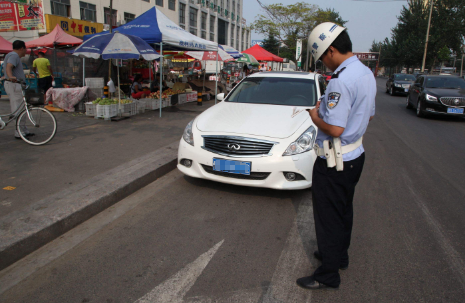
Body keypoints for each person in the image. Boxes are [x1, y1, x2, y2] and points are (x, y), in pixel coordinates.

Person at [296, 22, 376, 290]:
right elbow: (369, 114)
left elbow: (335, 128)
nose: (324, 64)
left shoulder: (341, 80)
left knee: (328, 216)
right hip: (354, 156)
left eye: (322, 58)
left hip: (334, 160)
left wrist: (315, 116)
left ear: (331, 51)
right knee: (343, 210)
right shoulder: (365, 73)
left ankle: (328, 274)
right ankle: (339, 256)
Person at [2, 40, 33, 139]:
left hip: (15, 85)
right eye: (25, 49)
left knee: (22, 108)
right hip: (14, 85)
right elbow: (9, 67)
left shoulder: (12, 55)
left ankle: (23, 130)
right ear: (21, 48)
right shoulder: (14, 55)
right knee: (18, 110)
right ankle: (19, 132)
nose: (26, 51)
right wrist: (11, 76)